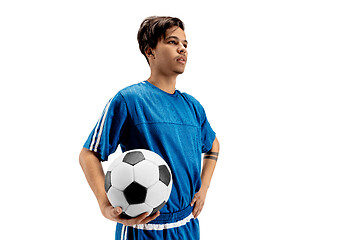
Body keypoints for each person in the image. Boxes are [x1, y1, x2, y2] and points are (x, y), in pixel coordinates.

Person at [79, 16, 220, 240]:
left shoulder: (192, 106)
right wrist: (105, 205)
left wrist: (203, 188)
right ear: (150, 51)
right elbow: (89, 153)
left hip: (187, 226)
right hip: (143, 229)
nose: (182, 49)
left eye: (185, 44)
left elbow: (212, 144)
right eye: (173, 42)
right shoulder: (129, 100)